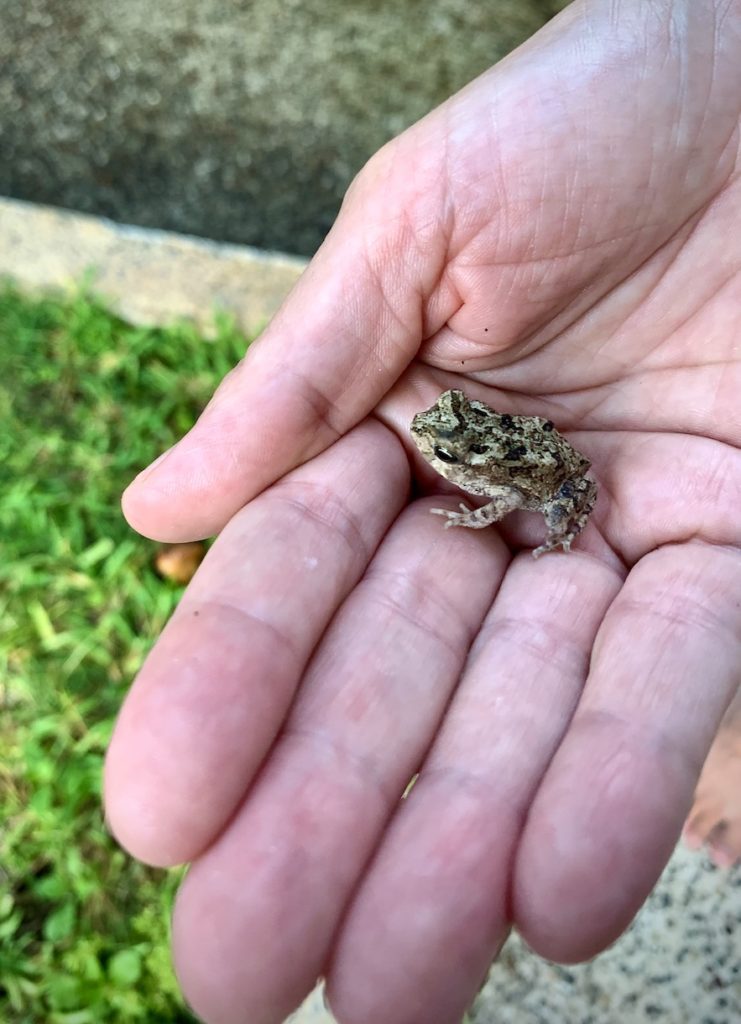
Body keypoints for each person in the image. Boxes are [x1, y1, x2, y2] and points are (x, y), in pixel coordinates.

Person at [104, 1, 741, 1021]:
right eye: (438, 435)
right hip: (544, 438)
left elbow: (504, 487)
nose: (430, 440)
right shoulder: (461, 422)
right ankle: (722, 724)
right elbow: (480, 443)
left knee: (667, 591)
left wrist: (481, 512)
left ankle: (722, 721)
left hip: (559, 474)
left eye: (438, 441)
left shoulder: (478, 463)